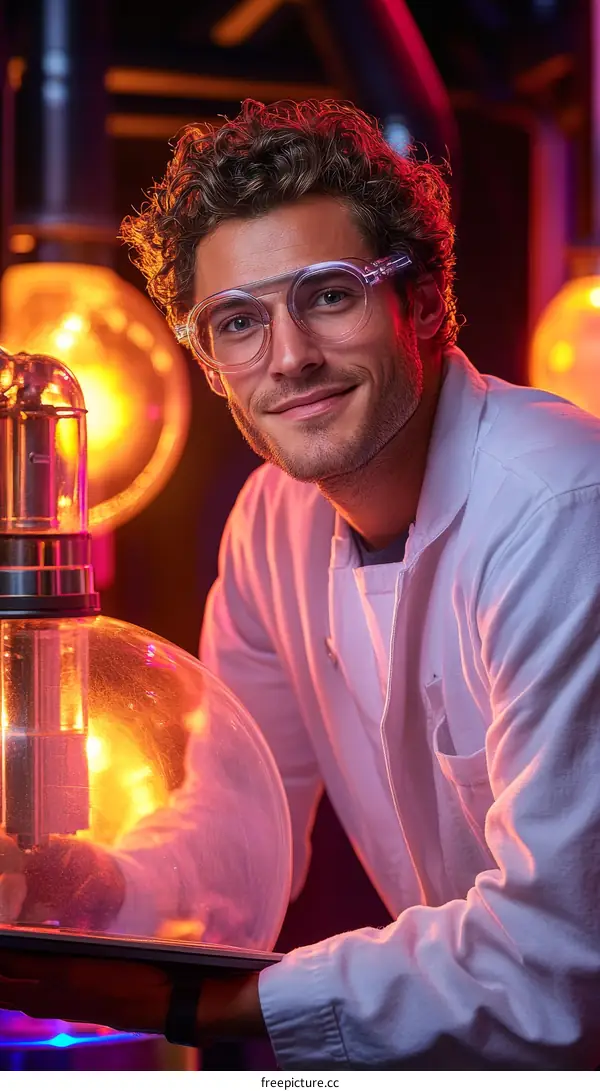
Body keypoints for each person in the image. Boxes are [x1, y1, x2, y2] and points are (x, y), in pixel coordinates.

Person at [1, 97, 600, 1070]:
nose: (289, 358)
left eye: (328, 295)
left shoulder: (563, 509)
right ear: (209, 362)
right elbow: (240, 828)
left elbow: (560, 956)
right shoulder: (270, 523)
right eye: (238, 321)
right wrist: (98, 888)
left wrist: (217, 1005)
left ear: (427, 300)